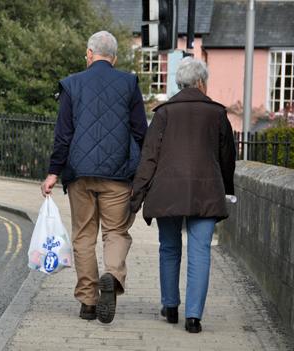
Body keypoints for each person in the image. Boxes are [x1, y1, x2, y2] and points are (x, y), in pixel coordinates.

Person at [41, 31, 148, 324]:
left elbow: (63, 135)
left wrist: (53, 173)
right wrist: (144, 171)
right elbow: (141, 132)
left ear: (89, 54)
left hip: (80, 175)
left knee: (84, 235)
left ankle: (88, 302)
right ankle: (112, 276)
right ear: (114, 57)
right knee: (115, 232)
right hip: (118, 175)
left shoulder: (72, 84)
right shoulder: (128, 84)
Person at [130, 57, 236, 333]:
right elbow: (227, 157)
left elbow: (149, 157)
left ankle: (171, 306)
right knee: (200, 251)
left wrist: (136, 196)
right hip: (206, 190)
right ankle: (193, 317)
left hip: (167, 192)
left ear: (180, 83)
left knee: (169, 247)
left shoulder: (164, 113)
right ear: (201, 82)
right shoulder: (217, 113)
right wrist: (227, 189)